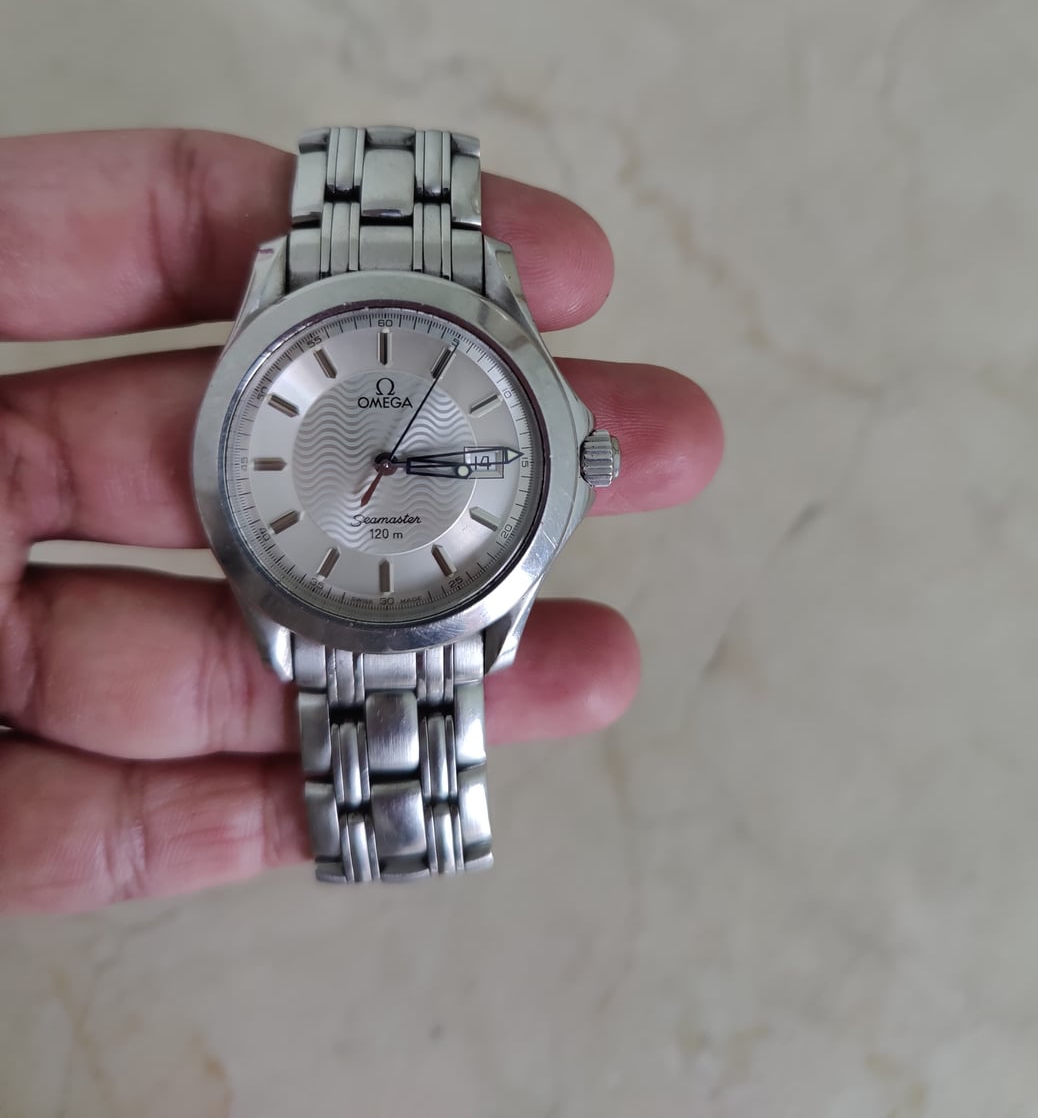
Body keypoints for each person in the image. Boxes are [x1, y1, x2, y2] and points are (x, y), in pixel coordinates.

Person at [0, 129, 723, 912]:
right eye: (388, 467)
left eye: (392, 466)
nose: (385, 468)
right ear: (592, 459)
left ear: (582, 461)